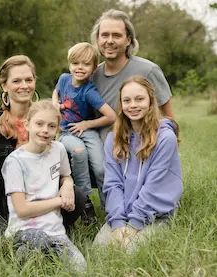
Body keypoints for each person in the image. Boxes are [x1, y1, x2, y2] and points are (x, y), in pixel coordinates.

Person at [0, 55, 86, 238]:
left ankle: (52, 228)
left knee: (77, 197)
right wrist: (18, 209)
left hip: (42, 199)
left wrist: (67, 184)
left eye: (28, 80)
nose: (24, 85)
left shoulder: (45, 120)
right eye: (16, 80)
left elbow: (60, 168)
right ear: (4, 85)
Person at [93, 76, 183, 251]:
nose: (133, 105)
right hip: (123, 213)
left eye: (139, 99)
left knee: (131, 251)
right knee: (100, 250)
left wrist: (134, 225)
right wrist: (118, 224)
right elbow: (113, 184)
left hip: (156, 213)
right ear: (121, 104)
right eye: (127, 100)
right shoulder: (113, 138)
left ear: (150, 100)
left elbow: (154, 186)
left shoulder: (165, 138)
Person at [1, 99, 87, 272]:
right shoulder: (15, 162)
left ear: (57, 129)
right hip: (25, 229)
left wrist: (68, 185)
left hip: (55, 230)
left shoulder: (58, 149)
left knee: (80, 268)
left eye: (51, 126)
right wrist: (59, 201)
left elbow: (66, 176)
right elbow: (22, 209)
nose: (45, 130)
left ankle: (46, 253)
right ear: (27, 125)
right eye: (39, 124)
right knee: (36, 248)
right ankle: (22, 253)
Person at [52, 42, 116, 223]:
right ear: (69, 64)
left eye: (85, 64)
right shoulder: (64, 79)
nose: (79, 68)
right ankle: (85, 202)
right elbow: (56, 92)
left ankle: (110, 208)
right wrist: (54, 104)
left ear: (94, 68)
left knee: (102, 169)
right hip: (66, 132)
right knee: (79, 152)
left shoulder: (89, 91)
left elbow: (111, 116)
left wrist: (87, 124)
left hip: (87, 132)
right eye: (75, 63)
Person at [91, 9, 174, 141]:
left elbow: (169, 121)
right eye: (105, 35)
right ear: (97, 39)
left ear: (128, 40)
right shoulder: (90, 76)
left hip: (138, 156)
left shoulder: (148, 70)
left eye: (117, 35)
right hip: (98, 156)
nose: (110, 41)